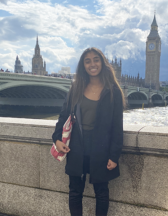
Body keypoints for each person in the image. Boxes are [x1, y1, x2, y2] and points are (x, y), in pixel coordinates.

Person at [52, 47, 125, 216]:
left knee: (101, 191)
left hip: (101, 148)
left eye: (96, 59)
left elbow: (117, 126)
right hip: (77, 146)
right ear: (83, 65)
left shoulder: (112, 91)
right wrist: (57, 140)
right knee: (75, 191)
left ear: (103, 63)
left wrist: (114, 156)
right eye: (88, 61)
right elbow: (63, 116)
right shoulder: (76, 88)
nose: (92, 64)